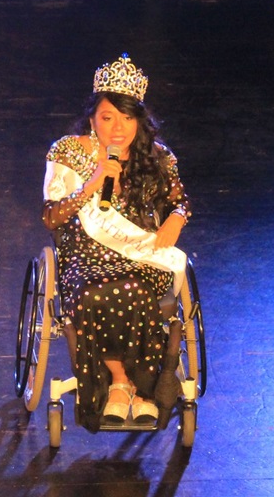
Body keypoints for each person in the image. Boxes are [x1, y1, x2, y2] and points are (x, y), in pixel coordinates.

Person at [42, 54, 192, 431]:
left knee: (133, 289)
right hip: (84, 256)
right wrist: (92, 183)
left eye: (127, 118)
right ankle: (123, 385)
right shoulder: (67, 152)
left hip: (140, 257)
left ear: (139, 119)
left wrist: (175, 219)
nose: (118, 128)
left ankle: (137, 389)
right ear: (93, 117)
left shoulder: (157, 157)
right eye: (108, 117)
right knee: (96, 293)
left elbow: (179, 201)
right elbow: (51, 217)